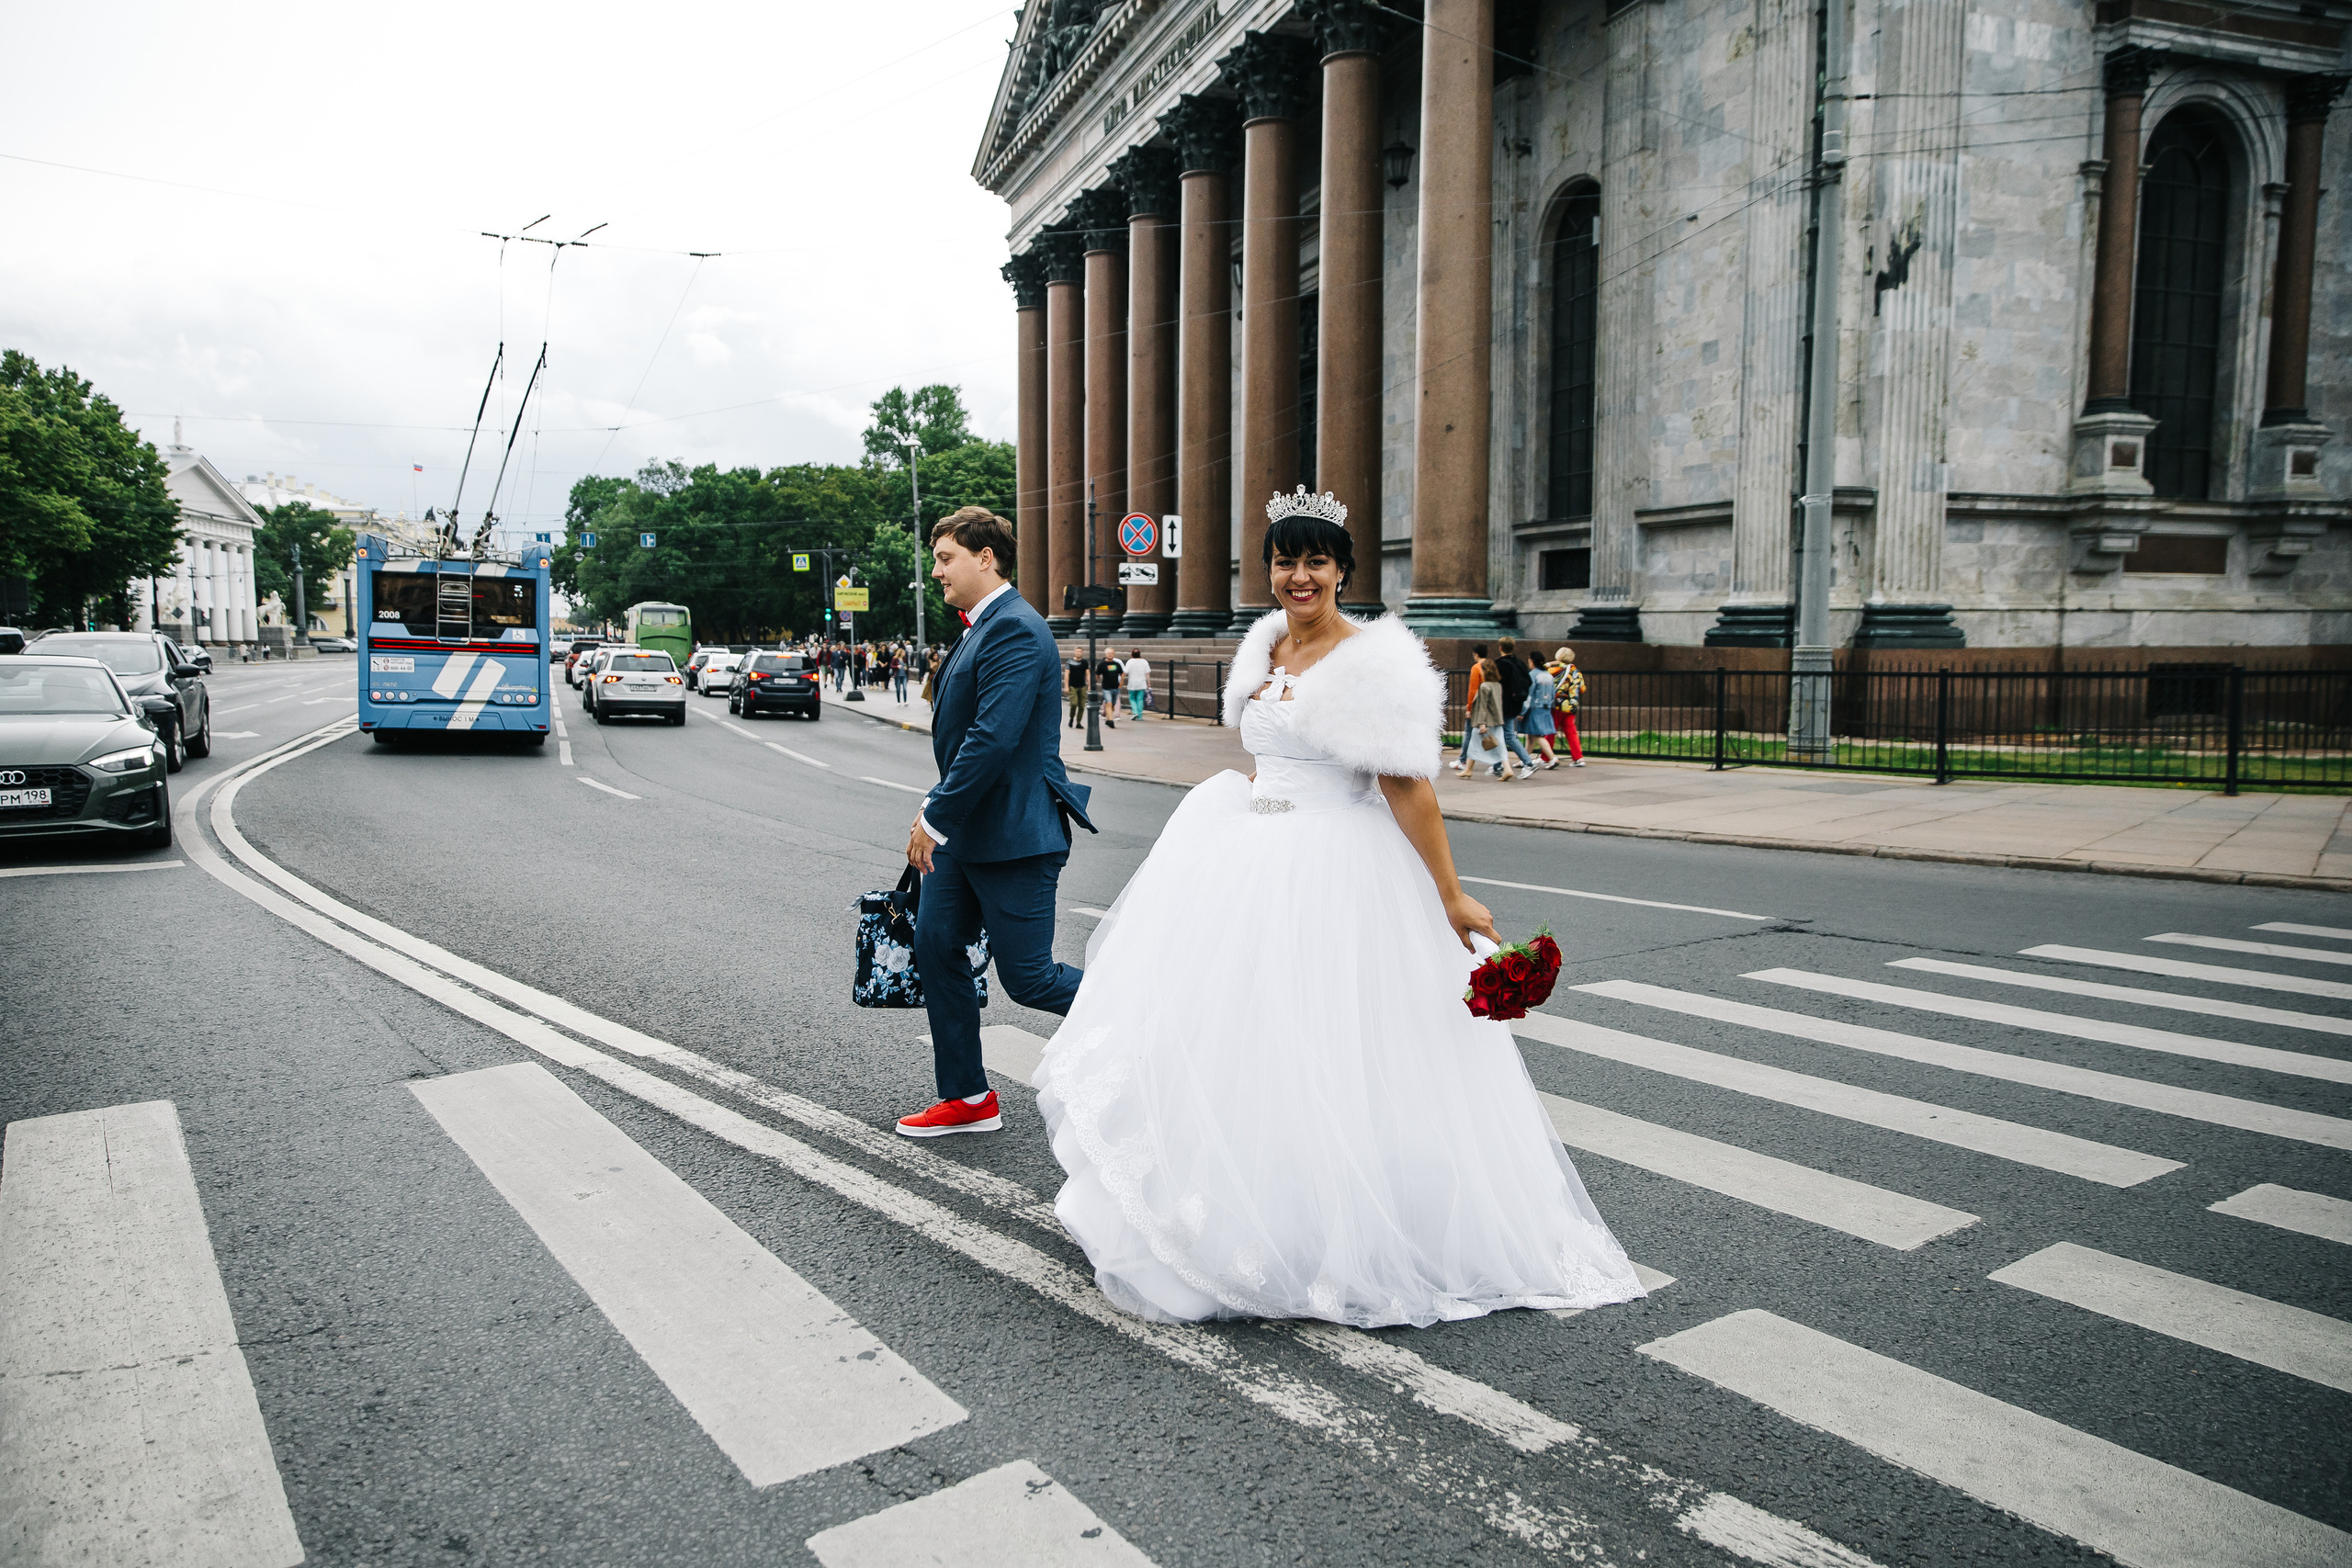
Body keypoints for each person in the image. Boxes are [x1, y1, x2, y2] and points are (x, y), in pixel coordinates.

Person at [1034, 487, 1645, 1327]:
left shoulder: (1374, 662)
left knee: (1333, 1051)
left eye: (1316, 560)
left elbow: (1409, 787)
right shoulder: (1265, 645)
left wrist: (1449, 891)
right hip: (1250, 857)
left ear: (1344, 571)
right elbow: (1269, 755)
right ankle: (1241, 1210)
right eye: (1285, 559)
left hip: (1337, 873)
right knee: (1245, 1046)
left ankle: (1343, 1231)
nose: (1299, 575)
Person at [901, 507, 1098, 1138]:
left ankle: (1151, 1016)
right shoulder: (979, 627)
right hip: (968, 833)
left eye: (945, 558)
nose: (935, 572)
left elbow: (991, 738)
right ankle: (967, 1096)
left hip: (1014, 835)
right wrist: (942, 813)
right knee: (935, 944)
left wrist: (935, 815)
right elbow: (967, 737)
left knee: (1030, 977)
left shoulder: (1015, 628)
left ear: (986, 558)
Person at [1459, 657, 1520, 781]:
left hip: (1485, 722)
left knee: (1474, 745)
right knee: (1500, 745)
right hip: (1497, 720)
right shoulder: (1497, 685)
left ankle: (1468, 770)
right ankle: (1506, 769)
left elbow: (1482, 706)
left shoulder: (1484, 686)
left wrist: (1481, 724)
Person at [1492, 637, 1537, 774]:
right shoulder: (1520, 663)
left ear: (1500, 648)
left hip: (1502, 705)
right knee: (1503, 734)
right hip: (1516, 704)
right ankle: (1497, 764)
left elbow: (1495, 685)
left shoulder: (1500, 664)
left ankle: (1528, 762)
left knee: (1507, 735)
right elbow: (1529, 682)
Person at [1523, 649, 1561, 768]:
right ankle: (1524, 758)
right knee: (1531, 735)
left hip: (1534, 707)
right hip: (1545, 707)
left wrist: (1522, 711)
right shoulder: (1548, 675)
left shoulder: (1532, 674)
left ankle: (1552, 757)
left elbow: (1529, 694)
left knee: (1536, 735)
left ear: (1532, 661)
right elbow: (1552, 693)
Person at [1552, 648, 1587, 766]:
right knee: (1571, 731)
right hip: (1570, 705)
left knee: (1551, 730)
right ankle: (1578, 758)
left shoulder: (1554, 669)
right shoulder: (1575, 671)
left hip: (1557, 704)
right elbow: (1582, 688)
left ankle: (1546, 757)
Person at [1123, 647, 1151, 720]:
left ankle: (1135, 712)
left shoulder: (1130, 661)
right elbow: (1147, 674)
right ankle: (1140, 716)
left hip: (1132, 683)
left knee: (1132, 698)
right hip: (1142, 683)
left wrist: (1121, 681)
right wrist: (1149, 684)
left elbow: (1125, 672)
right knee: (1140, 699)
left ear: (1131, 654)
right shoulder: (1144, 661)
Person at [1067, 655, 1088, 728]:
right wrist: (1066, 686)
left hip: (1082, 685)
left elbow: (1087, 673)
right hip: (1073, 686)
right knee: (1074, 704)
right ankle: (1071, 718)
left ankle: (1078, 722)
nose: (1078, 653)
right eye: (1077, 651)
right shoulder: (1070, 661)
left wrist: (1089, 684)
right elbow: (1067, 674)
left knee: (1082, 705)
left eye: (1080, 651)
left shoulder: (1084, 662)